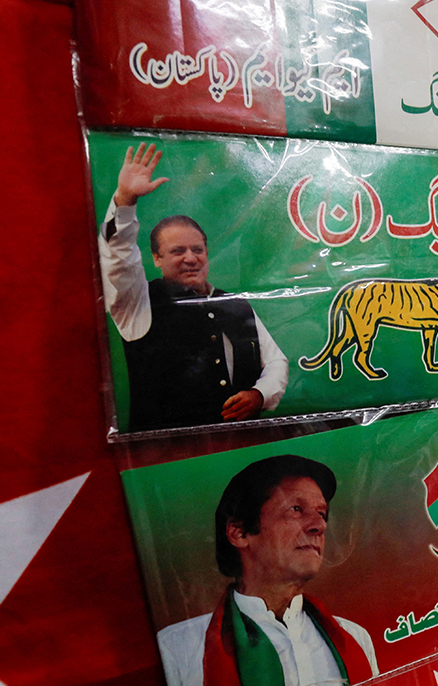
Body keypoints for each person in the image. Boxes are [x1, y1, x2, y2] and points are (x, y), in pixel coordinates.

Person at [97, 143, 288, 431]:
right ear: (156, 259)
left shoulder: (235, 303)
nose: (190, 258)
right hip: (166, 454)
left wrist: (260, 395)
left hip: (241, 443)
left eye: (197, 249)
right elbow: (118, 258)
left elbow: (276, 362)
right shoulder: (137, 302)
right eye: (177, 251)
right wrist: (125, 200)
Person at [156, 455, 379, 686]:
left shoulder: (355, 638)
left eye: (322, 514)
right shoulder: (178, 649)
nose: (319, 525)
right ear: (240, 533)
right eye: (296, 509)